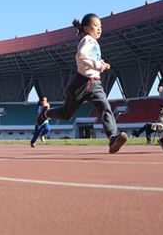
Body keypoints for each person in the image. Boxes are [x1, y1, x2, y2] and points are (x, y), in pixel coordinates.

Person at [39, 14, 128, 154]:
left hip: (95, 83)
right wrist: (99, 65)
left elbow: (94, 59)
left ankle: (112, 137)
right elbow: (81, 55)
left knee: (105, 107)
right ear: (86, 28)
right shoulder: (87, 40)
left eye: (101, 27)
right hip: (80, 83)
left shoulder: (95, 43)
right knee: (66, 113)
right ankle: (47, 114)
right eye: (96, 26)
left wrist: (103, 65)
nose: (99, 29)